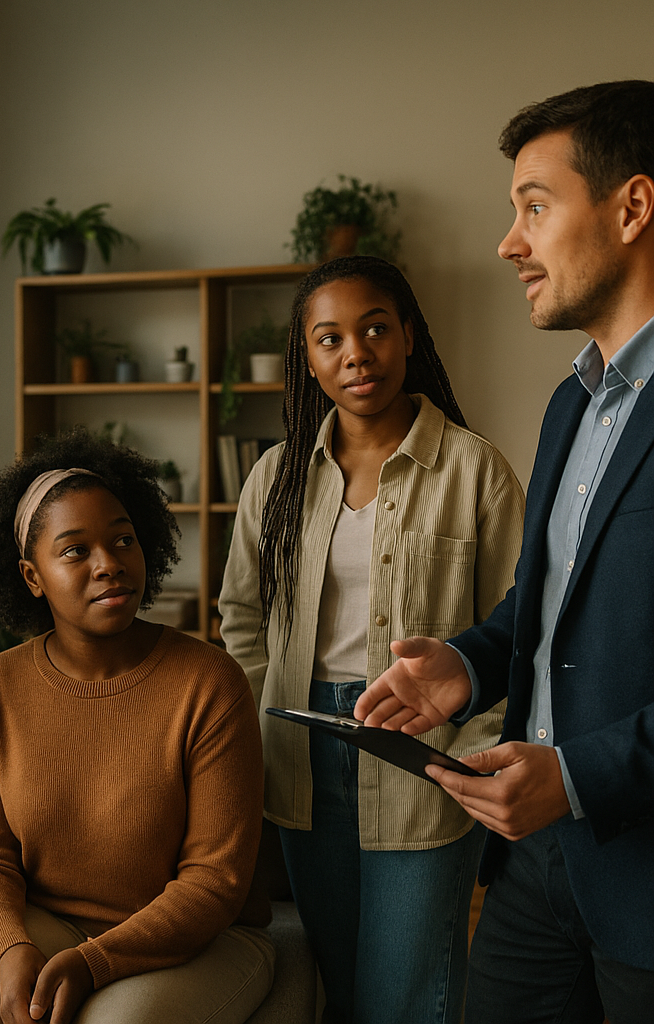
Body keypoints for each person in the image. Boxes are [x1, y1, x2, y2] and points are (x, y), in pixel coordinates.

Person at [356, 81, 654, 1024]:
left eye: (534, 205)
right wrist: (467, 663)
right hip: (533, 869)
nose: (508, 243)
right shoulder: (571, 402)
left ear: (633, 207)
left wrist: (574, 777)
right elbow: (547, 598)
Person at [219, 256, 524, 1024]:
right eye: (330, 339)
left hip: (425, 752)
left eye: (376, 328)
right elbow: (243, 621)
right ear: (308, 359)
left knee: (408, 996)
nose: (356, 353)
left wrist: (474, 754)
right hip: (301, 753)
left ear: (409, 335)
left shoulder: (475, 470)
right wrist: (257, 737)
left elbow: (518, 625)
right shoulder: (276, 477)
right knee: (337, 989)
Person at [0, 429, 274, 1024]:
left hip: (202, 939)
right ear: (33, 577)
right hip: (41, 922)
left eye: (123, 541)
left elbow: (216, 881)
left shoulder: (210, 682)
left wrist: (94, 962)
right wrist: (10, 953)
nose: (109, 565)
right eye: (76, 550)